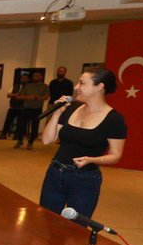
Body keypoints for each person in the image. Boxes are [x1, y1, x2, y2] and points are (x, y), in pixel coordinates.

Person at [39, 68, 127, 218]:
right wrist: (57, 113)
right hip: (55, 173)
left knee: (76, 229)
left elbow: (116, 155)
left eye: (81, 83)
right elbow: (47, 140)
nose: (75, 87)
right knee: (46, 220)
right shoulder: (70, 109)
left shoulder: (114, 119)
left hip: (84, 180)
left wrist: (92, 160)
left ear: (99, 87)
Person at [12, 71, 48, 150]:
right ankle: (20, 140)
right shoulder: (28, 86)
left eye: (37, 76)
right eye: (34, 76)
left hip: (37, 109)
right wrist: (28, 97)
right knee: (21, 125)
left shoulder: (45, 86)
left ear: (41, 77)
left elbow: (46, 97)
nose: (35, 77)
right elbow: (20, 96)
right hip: (26, 108)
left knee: (35, 127)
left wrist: (36, 98)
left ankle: (30, 142)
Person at [0, 74, 25, 139]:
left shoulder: (28, 87)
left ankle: (17, 135)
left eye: (25, 78)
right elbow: (8, 94)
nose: (23, 79)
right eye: (22, 78)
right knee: (8, 121)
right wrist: (15, 94)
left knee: (20, 122)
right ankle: (3, 134)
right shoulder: (15, 86)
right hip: (13, 107)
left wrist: (20, 96)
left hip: (22, 108)